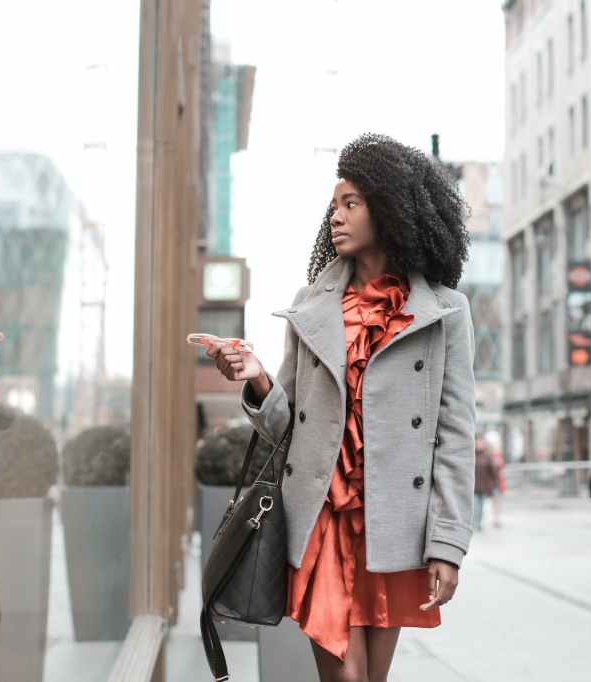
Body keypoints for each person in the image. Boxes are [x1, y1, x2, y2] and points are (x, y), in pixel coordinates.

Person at [208, 133, 476, 682]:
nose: (336, 215)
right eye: (334, 205)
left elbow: (455, 436)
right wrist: (256, 378)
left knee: (370, 677)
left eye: (351, 203)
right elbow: (285, 424)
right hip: (322, 515)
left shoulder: (445, 313)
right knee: (345, 674)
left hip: (394, 519)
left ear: (391, 209)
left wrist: (447, 545)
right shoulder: (311, 308)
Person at [473, 436, 502, 531]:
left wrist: (495, 484)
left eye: (481, 442)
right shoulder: (471, 455)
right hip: (472, 486)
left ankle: (478, 523)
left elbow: (493, 472)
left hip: (483, 487)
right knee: (475, 505)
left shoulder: (488, 456)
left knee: (480, 506)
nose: (479, 444)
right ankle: (474, 523)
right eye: (478, 442)